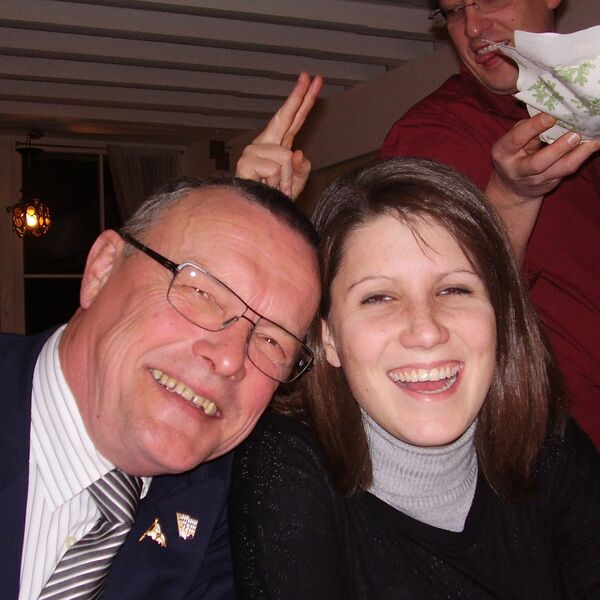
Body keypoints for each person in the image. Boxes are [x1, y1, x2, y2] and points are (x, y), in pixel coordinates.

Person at [229, 156, 600, 598]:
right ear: (329, 338)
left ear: (500, 314)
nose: (426, 331)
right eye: (379, 297)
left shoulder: (550, 447)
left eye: (454, 289)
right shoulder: (285, 467)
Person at [0, 173, 320, 599]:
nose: (229, 359)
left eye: (272, 341)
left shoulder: (244, 510)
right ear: (102, 270)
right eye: (203, 292)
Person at [379, 0, 600, 447]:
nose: (474, 27)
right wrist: (509, 195)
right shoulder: (430, 135)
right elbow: (425, 307)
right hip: (552, 447)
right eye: (454, 11)